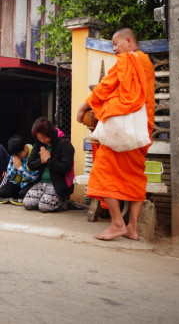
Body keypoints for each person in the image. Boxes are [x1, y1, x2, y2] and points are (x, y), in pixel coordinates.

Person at [76, 27, 155, 240]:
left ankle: (117, 223)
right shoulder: (146, 63)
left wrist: (84, 106)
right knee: (135, 177)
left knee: (101, 174)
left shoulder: (128, 60)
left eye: (115, 44)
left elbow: (105, 87)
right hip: (141, 131)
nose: (114, 49)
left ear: (129, 41)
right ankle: (133, 228)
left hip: (122, 132)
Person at [24, 117, 75, 212]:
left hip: (57, 184)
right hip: (41, 182)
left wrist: (49, 160)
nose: (42, 140)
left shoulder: (65, 144)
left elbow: (66, 167)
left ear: (50, 134)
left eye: (44, 137)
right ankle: (46, 199)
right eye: (39, 138)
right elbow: (30, 164)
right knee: (28, 203)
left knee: (44, 207)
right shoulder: (39, 143)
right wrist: (42, 160)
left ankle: (65, 203)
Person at [0, 135, 37, 205]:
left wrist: (20, 168)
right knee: (1, 192)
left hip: (29, 183)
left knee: (22, 193)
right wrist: (14, 168)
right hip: (17, 183)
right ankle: (17, 195)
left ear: (25, 148)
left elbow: (34, 178)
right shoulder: (14, 156)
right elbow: (8, 176)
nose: (17, 157)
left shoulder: (34, 154)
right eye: (14, 155)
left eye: (19, 154)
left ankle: (19, 195)